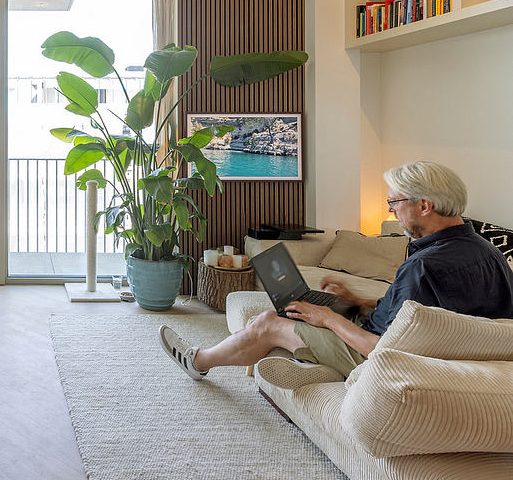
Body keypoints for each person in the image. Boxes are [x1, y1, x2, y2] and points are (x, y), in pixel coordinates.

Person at [159, 160, 513, 381]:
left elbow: (378, 349)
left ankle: (199, 361)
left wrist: (328, 318)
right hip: (413, 346)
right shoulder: (486, 251)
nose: (392, 212)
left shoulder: (425, 264)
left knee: (268, 321)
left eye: (394, 203)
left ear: (424, 205)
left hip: (376, 354)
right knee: (300, 309)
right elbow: (422, 314)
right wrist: (356, 300)